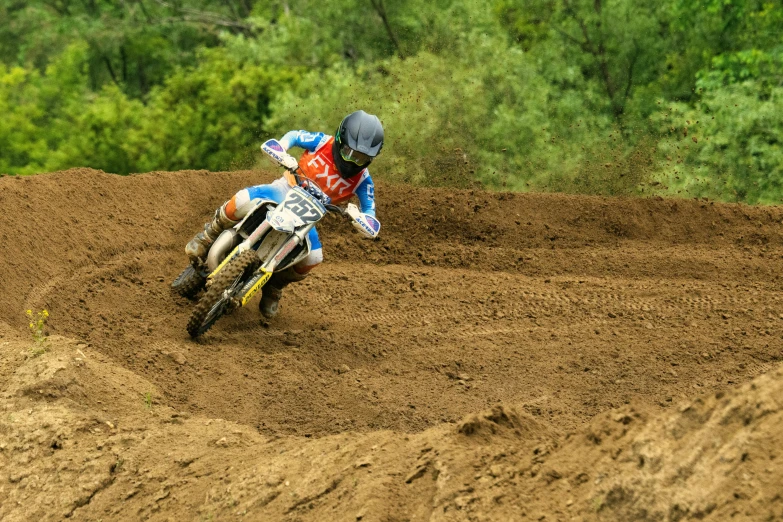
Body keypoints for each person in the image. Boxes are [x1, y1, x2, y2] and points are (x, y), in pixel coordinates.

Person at [185, 110, 384, 318]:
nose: (353, 161)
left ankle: (275, 286)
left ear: (370, 159)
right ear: (340, 140)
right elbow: (296, 136)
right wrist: (282, 148)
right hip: (285, 189)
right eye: (349, 153)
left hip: (309, 216)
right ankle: (207, 236)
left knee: (313, 258)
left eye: (361, 159)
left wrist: (361, 218)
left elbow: (371, 214)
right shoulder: (323, 142)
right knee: (242, 199)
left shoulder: (363, 181)